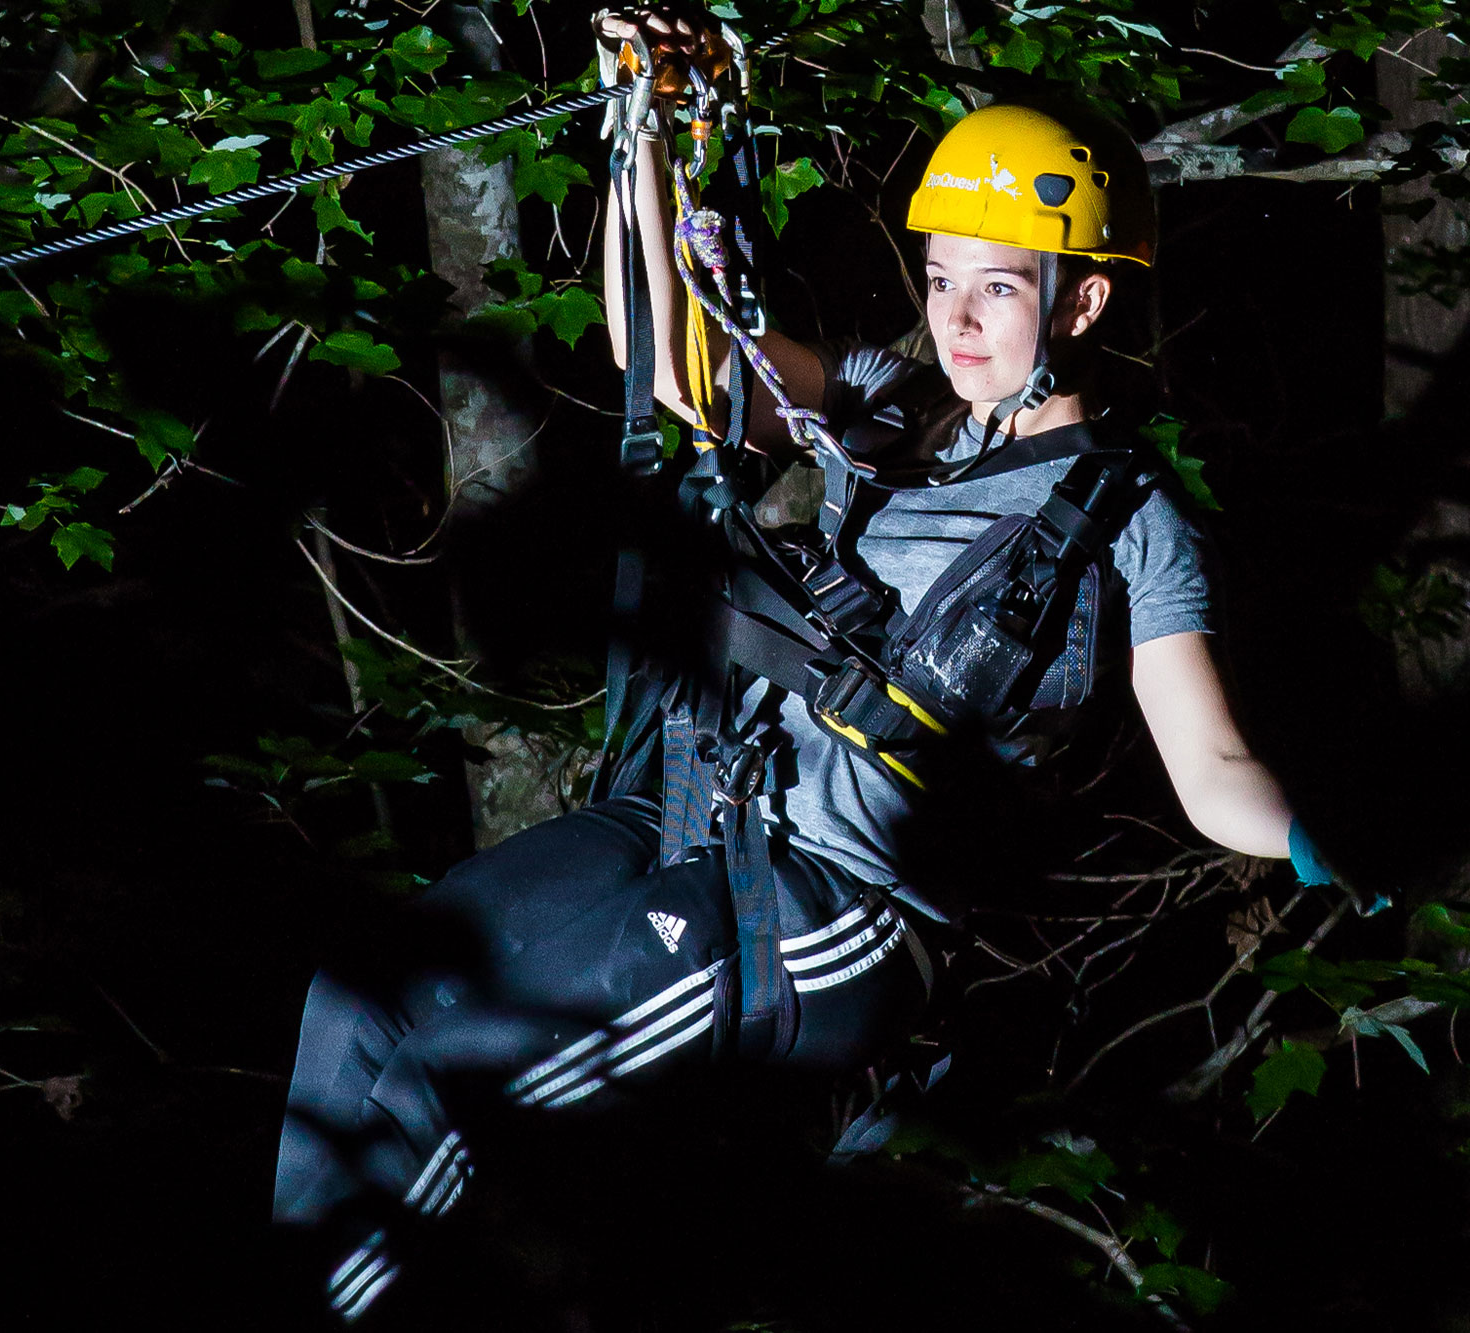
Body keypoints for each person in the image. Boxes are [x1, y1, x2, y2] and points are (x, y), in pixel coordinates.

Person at [272, 9, 1345, 1323]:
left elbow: (1212, 762)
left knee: (455, 1081)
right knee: (360, 1001)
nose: (955, 314)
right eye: (941, 276)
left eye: (998, 285)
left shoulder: (1128, 520)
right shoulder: (889, 399)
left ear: (1085, 297)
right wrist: (641, 131)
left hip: (830, 908)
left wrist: (1323, 840)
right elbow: (667, 357)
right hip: (689, 809)